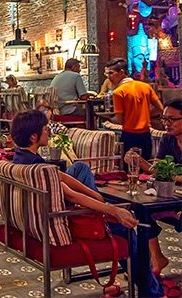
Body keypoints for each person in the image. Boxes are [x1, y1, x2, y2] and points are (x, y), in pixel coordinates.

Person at [11, 110, 165, 298]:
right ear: (34, 136)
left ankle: (104, 205)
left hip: (41, 215)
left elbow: (60, 176)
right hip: (66, 219)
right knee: (129, 232)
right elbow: (73, 196)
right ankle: (151, 292)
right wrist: (111, 210)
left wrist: (96, 197)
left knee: (81, 168)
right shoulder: (39, 169)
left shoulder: (21, 159)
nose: (49, 132)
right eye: (45, 129)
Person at [125, 98, 182, 275]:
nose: (166, 123)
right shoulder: (168, 139)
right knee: (141, 209)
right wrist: (139, 162)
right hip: (173, 196)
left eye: (171, 119)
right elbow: (157, 168)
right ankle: (156, 258)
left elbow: (163, 173)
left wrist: (169, 175)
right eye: (164, 119)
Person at [105, 58, 163, 160]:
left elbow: (118, 120)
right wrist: (145, 114)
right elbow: (161, 109)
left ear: (122, 72)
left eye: (111, 73)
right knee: (146, 169)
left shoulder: (119, 92)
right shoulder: (146, 87)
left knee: (130, 170)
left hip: (129, 135)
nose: (109, 77)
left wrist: (106, 117)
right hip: (146, 135)